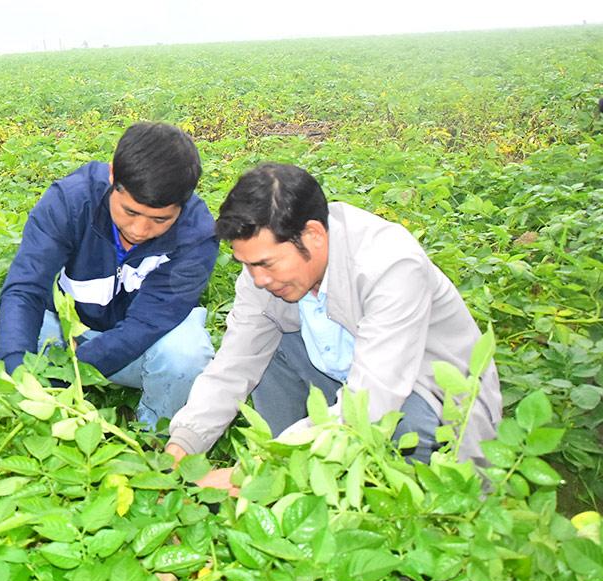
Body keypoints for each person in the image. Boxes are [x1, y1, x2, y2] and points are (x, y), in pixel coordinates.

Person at [166, 163, 501, 476]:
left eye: (266, 264)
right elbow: (234, 364)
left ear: (313, 235)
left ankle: (297, 469)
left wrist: (255, 470)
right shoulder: (263, 273)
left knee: (403, 424)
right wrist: (184, 443)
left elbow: (374, 402)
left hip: (429, 398)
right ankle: (290, 478)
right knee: (264, 349)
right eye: (247, 265)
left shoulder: (389, 265)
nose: (258, 279)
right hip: (344, 382)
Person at [0, 122, 219, 427]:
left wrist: (69, 371)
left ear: (183, 205)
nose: (139, 230)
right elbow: (26, 288)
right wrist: (20, 371)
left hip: (144, 343)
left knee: (187, 358)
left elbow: (147, 324)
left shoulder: (196, 233)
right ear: (113, 176)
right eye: (130, 211)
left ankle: (154, 434)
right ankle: (31, 410)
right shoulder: (70, 202)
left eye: (160, 220)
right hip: (67, 332)